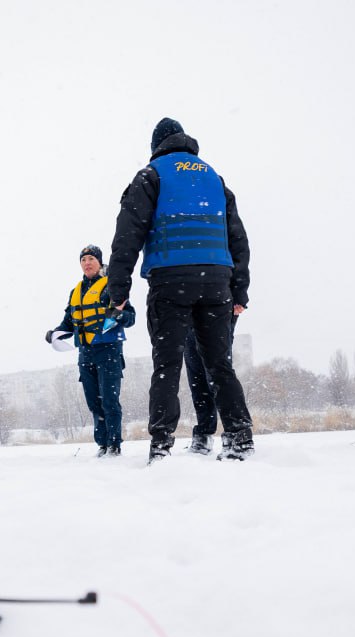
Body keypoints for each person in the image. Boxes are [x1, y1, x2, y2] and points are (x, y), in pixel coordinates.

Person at [105, 117, 254, 463]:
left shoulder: (151, 175)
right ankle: (240, 435)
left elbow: (127, 235)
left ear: (156, 145)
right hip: (217, 282)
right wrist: (240, 290)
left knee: (167, 366)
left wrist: (118, 289)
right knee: (220, 364)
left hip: (170, 280)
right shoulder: (214, 179)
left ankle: (162, 446)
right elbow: (238, 239)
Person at [46, 245, 136, 457]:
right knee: (94, 402)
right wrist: (54, 333)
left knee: (109, 400)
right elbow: (69, 323)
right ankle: (102, 444)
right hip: (85, 354)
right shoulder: (76, 291)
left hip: (108, 351)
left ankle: (114, 445)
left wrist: (116, 314)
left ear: (99, 262)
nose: (87, 263)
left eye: (91, 259)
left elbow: (130, 318)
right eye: (83, 259)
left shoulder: (111, 286)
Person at [182, 310, 240, 455]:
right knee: (197, 376)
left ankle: (235, 434)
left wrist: (240, 297)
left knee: (219, 373)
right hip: (190, 312)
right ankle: (204, 434)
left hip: (219, 307)